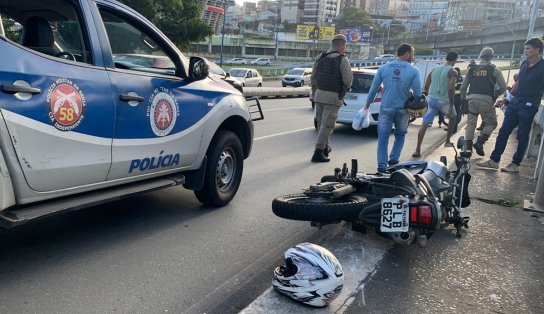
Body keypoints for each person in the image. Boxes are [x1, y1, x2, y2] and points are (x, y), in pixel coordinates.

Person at [477, 37, 544, 173]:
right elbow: (517, 84)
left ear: (537, 50)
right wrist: (507, 99)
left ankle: (515, 164)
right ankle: (494, 161)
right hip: (515, 103)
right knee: (503, 131)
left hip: (529, 105)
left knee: (522, 135)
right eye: (525, 48)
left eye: (528, 49)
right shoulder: (525, 64)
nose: (525, 51)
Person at [365, 43, 422, 173]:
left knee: (383, 138)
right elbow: (418, 93)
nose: (412, 56)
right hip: (403, 110)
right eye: (412, 54)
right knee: (400, 135)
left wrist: (368, 104)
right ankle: (394, 160)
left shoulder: (384, 68)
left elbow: (374, 89)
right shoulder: (414, 70)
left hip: (386, 109)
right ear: (407, 54)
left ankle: (381, 166)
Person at [310, 34, 352, 162]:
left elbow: (313, 77)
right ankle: (318, 152)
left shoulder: (320, 57)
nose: (344, 48)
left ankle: (324, 149)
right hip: (333, 97)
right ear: (340, 45)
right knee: (327, 126)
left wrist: (315, 92)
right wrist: (343, 91)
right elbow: (348, 80)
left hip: (319, 95)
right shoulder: (342, 59)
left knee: (322, 124)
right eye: (344, 46)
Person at [460, 47, 506, 156]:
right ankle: (480, 142)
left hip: (471, 99)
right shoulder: (495, 70)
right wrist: (495, 95)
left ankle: (467, 149)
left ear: (481, 56)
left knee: (471, 123)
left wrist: (464, 99)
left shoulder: (471, 69)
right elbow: (503, 87)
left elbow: (463, 87)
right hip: (486, 100)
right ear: (492, 57)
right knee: (491, 123)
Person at [412, 51, 459, 157]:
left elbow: (426, 84)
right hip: (444, 101)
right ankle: (447, 141)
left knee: (424, 123)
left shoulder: (435, 69)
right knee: (453, 116)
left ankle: (417, 150)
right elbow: (451, 88)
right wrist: (451, 105)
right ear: (455, 60)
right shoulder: (452, 71)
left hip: (431, 100)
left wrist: (428, 94)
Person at [450, 66, 464, 133]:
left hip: (455, 97)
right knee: (457, 113)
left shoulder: (456, 78)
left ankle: (452, 128)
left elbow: (452, 87)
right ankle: (454, 128)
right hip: (459, 97)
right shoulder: (461, 78)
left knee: (453, 113)